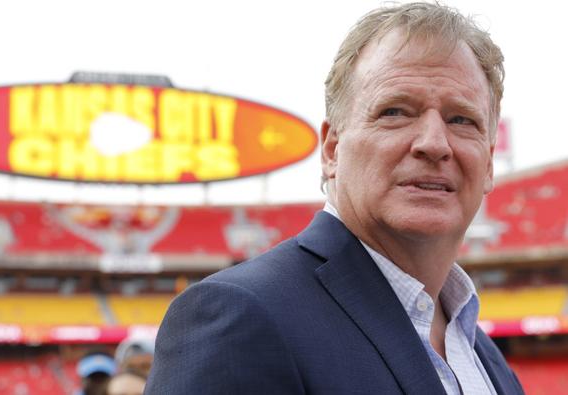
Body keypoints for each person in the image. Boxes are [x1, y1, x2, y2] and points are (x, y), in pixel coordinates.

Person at [146, 2, 524, 394]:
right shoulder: (241, 315)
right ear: (332, 150)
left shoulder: (483, 355)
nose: (433, 143)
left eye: (462, 120)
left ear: (489, 163)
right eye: (395, 112)